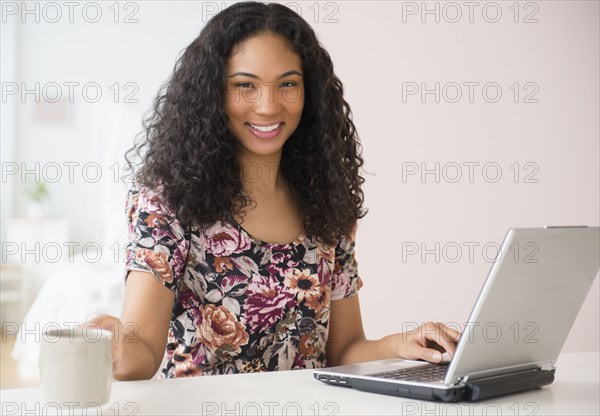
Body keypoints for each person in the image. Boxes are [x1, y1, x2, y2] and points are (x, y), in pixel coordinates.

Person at [87, 1, 460, 381]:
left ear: (309, 93)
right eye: (244, 85)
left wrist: (399, 345)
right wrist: (117, 342)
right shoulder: (167, 203)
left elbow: (344, 349)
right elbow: (144, 353)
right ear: (212, 93)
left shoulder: (328, 204)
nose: (268, 106)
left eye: (287, 84)